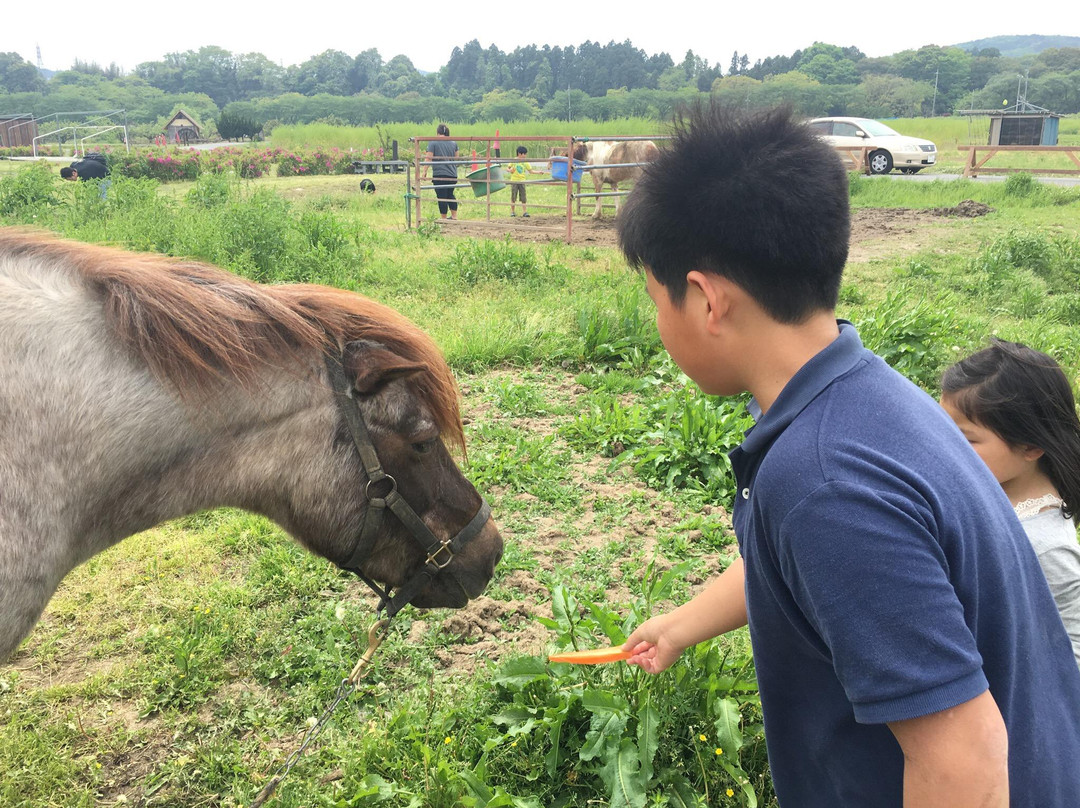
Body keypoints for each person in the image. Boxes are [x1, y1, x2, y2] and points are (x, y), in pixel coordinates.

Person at [614, 102, 1080, 808]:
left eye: (657, 299)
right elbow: (800, 567)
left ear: (708, 300)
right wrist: (679, 627)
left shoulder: (825, 482)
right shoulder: (866, 396)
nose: (658, 323)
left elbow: (962, 762)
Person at [941, 339, 1080, 669]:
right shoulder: (990, 489)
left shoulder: (1044, 547)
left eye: (965, 438)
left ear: (1030, 446)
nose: (943, 445)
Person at [423, 123, 459, 221]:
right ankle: (454, 216)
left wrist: (424, 171)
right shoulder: (453, 143)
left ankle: (443, 218)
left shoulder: (433, 142)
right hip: (452, 174)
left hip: (439, 174)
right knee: (450, 195)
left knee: (441, 196)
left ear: (437, 132)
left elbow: (428, 158)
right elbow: (457, 157)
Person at [505, 145, 541, 217]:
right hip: (514, 181)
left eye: (525, 154)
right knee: (513, 197)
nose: (525, 155)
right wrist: (510, 170)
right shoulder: (514, 160)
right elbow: (507, 168)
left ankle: (524, 212)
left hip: (522, 181)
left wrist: (538, 172)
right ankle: (512, 212)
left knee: (523, 197)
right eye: (524, 154)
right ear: (519, 154)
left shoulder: (525, 162)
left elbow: (531, 171)